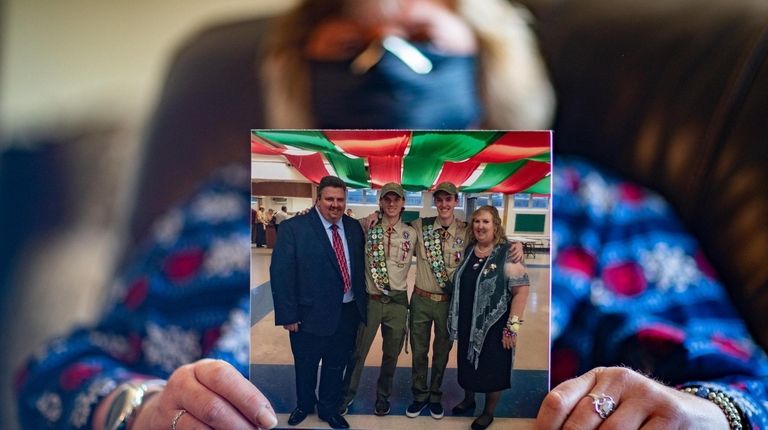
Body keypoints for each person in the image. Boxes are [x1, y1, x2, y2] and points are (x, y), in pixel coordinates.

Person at [16, 0, 768, 428]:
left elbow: (742, 381)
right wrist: (138, 411)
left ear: (485, 64)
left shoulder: (592, 205)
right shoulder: (220, 202)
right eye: (347, 44)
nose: (382, 59)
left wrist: (696, 415)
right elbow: (51, 373)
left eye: (419, 38)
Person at [270, 175, 367, 429]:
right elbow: (281, 273)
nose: (335, 204)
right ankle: (304, 405)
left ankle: (328, 409)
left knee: (336, 366)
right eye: (329, 199)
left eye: (340, 199)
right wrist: (288, 315)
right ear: (318, 199)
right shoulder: (295, 228)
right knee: (306, 365)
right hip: (307, 315)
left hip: (346, 312)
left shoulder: (354, 227)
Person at [448, 205, 530, 430]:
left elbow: (521, 291)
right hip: (468, 322)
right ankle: (469, 399)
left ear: (495, 226)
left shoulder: (509, 253)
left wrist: (512, 327)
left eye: (485, 222)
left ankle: (488, 412)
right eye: (476, 222)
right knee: (467, 363)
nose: (480, 226)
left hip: (496, 325)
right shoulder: (469, 250)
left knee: (492, 367)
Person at [340, 183, 417, 416]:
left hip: (397, 301)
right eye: (387, 199)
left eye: (396, 199)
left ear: (403, 203)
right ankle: (346, 395)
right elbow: (337, 225)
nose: (392, 203)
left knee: (391, 354)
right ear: (381, 202)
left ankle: (383, 397)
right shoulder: (366, 227)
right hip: (371, 300)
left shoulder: (412, 233)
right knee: (358, 351)